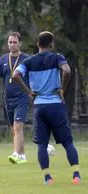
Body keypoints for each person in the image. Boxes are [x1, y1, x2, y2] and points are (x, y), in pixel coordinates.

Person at [12, 31, 81, 184]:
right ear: (51, 44)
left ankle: (47, 178)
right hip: (56, 104)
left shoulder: (29, 61)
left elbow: (15, 75)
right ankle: (76, 175)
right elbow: (67, 70)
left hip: (39, 106)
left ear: (38, 44)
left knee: (42, 144)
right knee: (67, 142)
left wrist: (29, 92)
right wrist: (62, 89)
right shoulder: (57, 58)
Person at [0, 32, 29, 164]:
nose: (12, 45)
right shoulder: (3, 60)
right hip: (8, 99)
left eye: (15, 42)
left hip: (22, 98)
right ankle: (22, 156)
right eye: (10, 42)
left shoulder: (26, 60)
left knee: (18, 126)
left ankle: (15, 154)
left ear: (20, 43)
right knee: (15, 129)